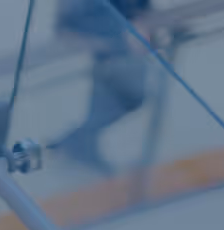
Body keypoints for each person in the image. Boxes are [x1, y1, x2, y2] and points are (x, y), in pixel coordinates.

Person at [50, 0, 155, 176]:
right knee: (131, 98)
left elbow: (142, 11)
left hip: (116, 52)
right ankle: (72, 144)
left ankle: (73, 144)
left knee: (117, 104)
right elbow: (64, 30)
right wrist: (110, 45)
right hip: (113, 54)